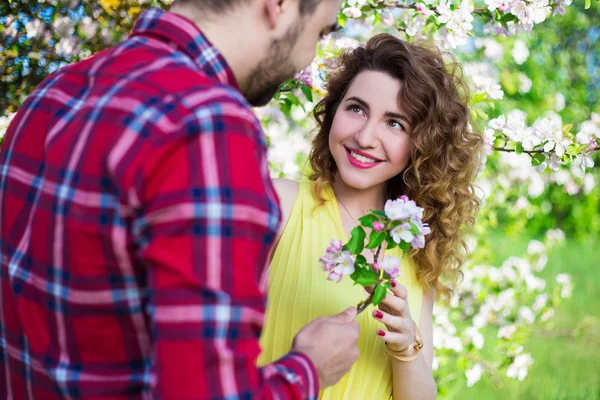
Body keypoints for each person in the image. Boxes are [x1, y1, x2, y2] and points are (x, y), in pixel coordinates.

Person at [0, 0, 360, 399]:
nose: (309, 55)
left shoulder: (55, 91)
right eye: (321, 32)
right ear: (278, 6)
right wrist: (309, 369)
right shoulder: (208, 124)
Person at [258, 34, 483, 399]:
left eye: (395, 123)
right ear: (334, 112)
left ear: (422, 145)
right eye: (357, 109)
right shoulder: (280, 205)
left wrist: (406, 347)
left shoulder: (416, 256)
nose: (364, 137)